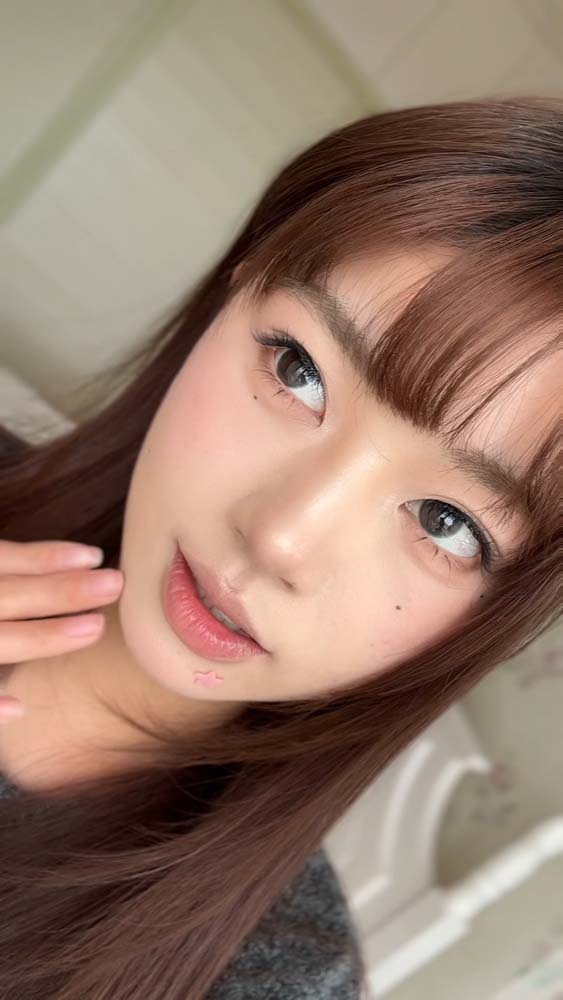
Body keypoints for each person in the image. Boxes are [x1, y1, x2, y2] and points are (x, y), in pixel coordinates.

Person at [0, 95, 561, 999]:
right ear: (240, 284)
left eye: (445, 523)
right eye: (299, 373)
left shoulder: (276, 980)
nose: (278, 538)